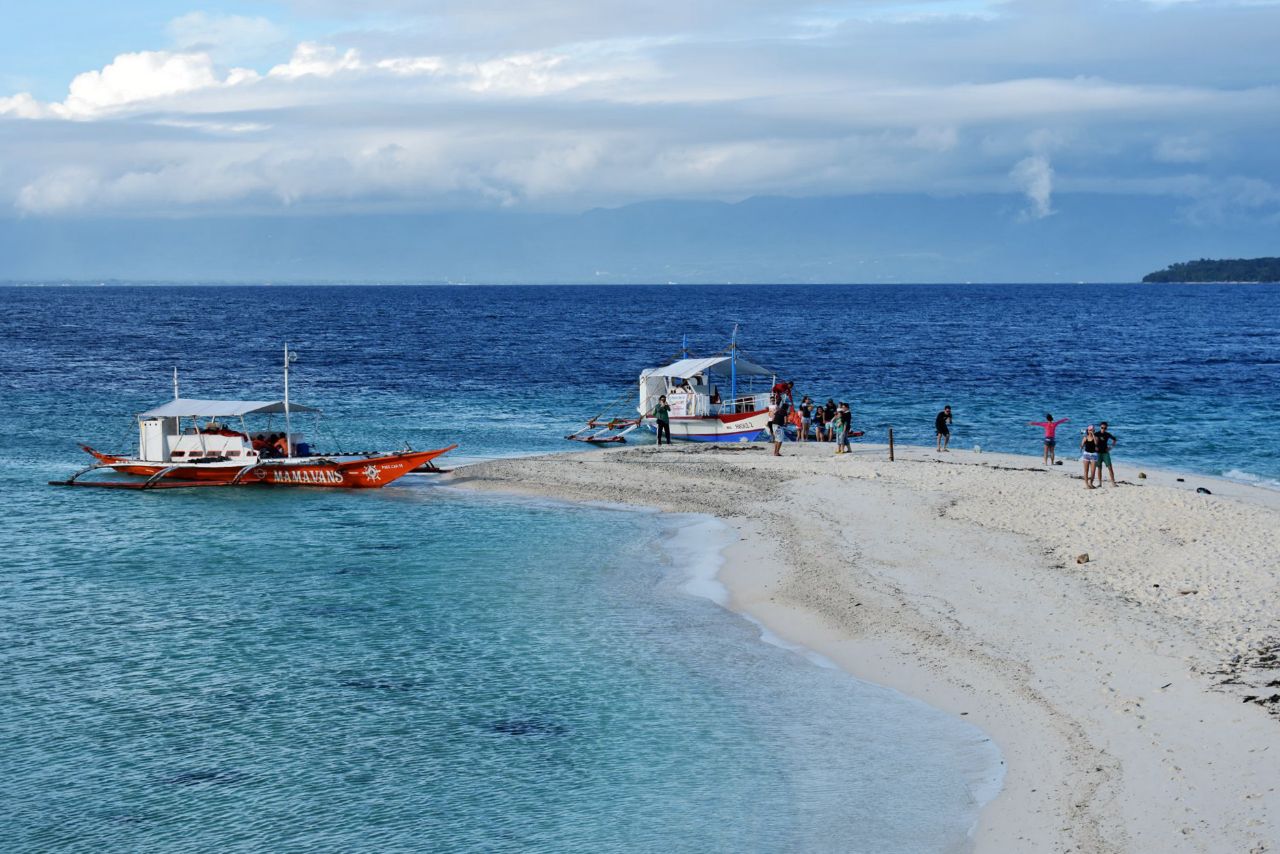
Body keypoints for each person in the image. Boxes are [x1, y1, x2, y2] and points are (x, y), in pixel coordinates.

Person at [1094, 421, 1118, 487]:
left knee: (1110, 467)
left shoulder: (1107, 434)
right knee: (1099, 468)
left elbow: (1115, 439)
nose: (1103, 429)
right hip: (1098, 453)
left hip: (1105, 453)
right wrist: (1094, 447)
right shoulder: (1096, 434)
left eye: (1105, 428)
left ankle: (1113, 483)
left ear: (1106, 428)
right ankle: (1100, 483)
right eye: (1102, 427)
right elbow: (1090, 440)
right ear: (1100, 427)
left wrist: (1111, 447)